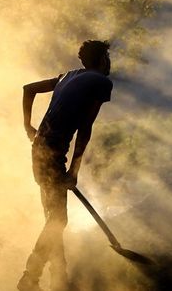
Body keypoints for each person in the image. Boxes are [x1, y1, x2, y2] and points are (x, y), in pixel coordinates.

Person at [18, 40, 113, 291]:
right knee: (58, 219)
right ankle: (30, 278)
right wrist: (74, 170)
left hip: (39, 148)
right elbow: (85, 128)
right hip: (53, 153)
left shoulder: (67, 76)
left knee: (52, 218)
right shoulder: (101, 82)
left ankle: (59, 279)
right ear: (102, 59)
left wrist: (28, 126)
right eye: (108, 57)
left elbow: (28, 89)